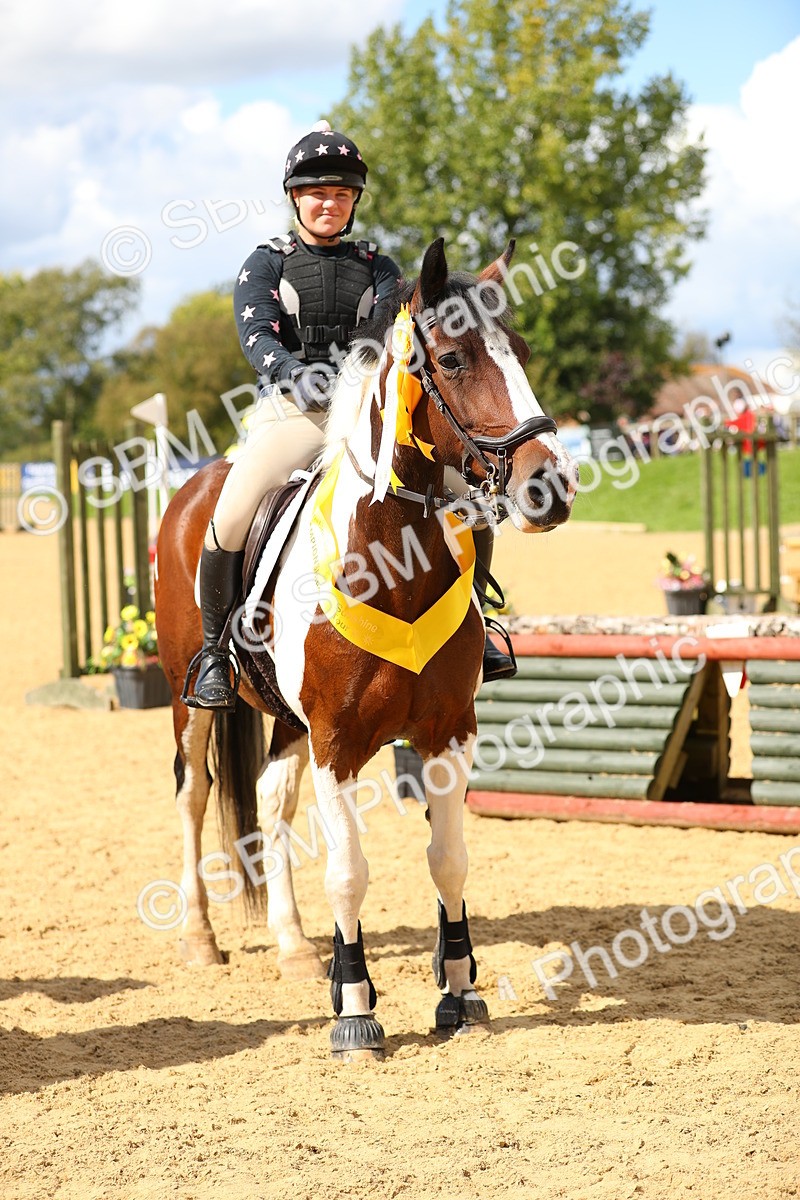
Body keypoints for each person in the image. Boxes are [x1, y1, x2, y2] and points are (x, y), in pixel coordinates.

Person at [186, 121, 515, 710]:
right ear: (294, 198)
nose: (328, 203)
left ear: (354, 202)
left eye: (340, 194)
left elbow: (403, 331)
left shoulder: (380, 268)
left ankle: (479, 621)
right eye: (316, 193)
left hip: (368, 414)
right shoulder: (266, 264)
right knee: (232, 510)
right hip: (295, 413)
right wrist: (291, 371)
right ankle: (217, 652)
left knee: (469, 497)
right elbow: (256, 333)